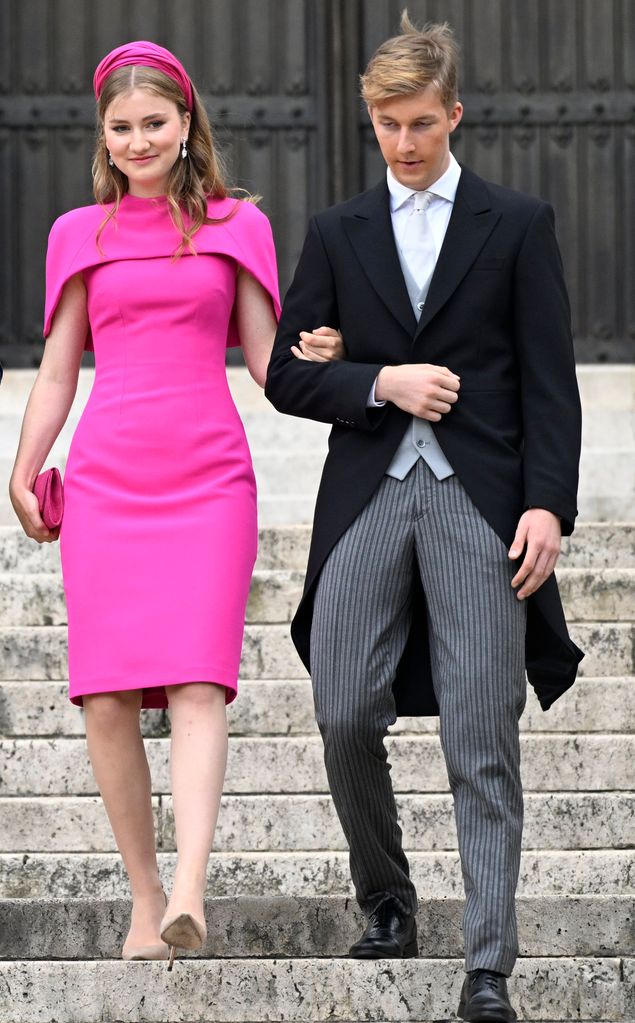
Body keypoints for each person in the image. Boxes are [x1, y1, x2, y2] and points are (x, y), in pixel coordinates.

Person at [266, 13, 582, 1021]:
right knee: (342, 708)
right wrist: (376, 380)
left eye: (418, 124)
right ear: (369, 121)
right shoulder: (334, 232)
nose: (402, 144)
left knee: (480, 729)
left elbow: (549, 383)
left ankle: (486, 964)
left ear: (452, 114)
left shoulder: (516, 222)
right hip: (367, 491)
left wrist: (545, 505)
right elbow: (282, 376)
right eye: (384, 125)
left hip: (478, 500)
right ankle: (387, 897)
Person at [8, 41, 341, 968]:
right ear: (104, 137)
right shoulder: (80, 233)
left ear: (186, 123)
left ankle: (190, 883)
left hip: (207, 481)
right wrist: (22, 467)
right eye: (121, 127)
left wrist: (342, 359)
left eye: (154, 122)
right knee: (105, 696)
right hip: (108, 480)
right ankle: (144, 895)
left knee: (200, 679)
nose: (138, 140)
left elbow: (271, 366)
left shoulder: (239, 226)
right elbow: (57, 370)